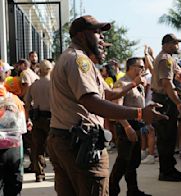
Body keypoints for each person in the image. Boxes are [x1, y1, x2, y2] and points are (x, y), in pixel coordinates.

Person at [48, 15, 166, 195]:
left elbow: (108, 94)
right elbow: (92, 102)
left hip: (65, 138)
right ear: (81, 35)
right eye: (96, 32)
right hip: (80, 143)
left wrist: (132, 84)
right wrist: (140, 114)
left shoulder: (71, 58)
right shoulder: (79, 60)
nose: (102, 37)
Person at [109, 57, 150, 196]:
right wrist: (127, 127)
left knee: (133, 161)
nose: (143, 70)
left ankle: (133, 190)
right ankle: (111, 189)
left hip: (137, 125)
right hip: (127, 125)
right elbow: (116, 108)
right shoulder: (122, 83)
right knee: (123, 160)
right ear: (131, 67)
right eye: (140, 67)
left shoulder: (137, 83)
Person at [151, 33, 181, 182]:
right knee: (166, 137)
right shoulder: (165, 59)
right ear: (166, 44)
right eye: (174, 43)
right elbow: (166, 84)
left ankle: (170, 168)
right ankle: (165, 172)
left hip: (166, 100)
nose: (177, 46)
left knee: (170, 137)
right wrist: (178, 103)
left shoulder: (169, 58)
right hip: (164, 101)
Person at [0, 60, 27, 196]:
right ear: (6, 75)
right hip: (12, 150)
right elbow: (22, 128)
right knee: (13, 189)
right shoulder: (15, 100)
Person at [24, 60, 53, 182]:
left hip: (37, 118)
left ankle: (39, 174)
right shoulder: (53, 84)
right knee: (54, 146)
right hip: (52, 118)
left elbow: (26, 103)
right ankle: (59, 171)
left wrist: (28, 118)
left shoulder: (34, 85)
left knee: (37, 147)